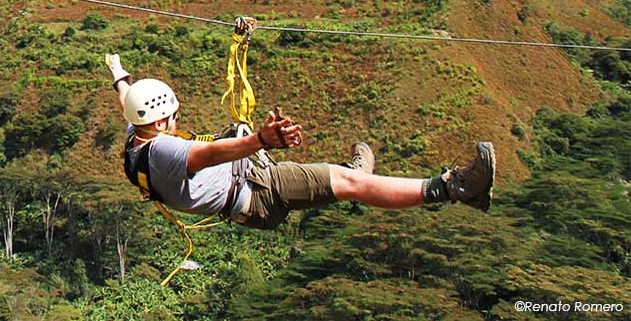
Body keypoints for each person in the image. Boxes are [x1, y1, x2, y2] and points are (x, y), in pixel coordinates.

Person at [106, 52, 496, 230]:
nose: (177, 120)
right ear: (160, 122)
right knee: (351, 186)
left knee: (336, 180)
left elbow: (127, 98)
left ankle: (347, 176)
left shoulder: (136, 139)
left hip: (248, 181)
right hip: (258, 193)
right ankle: (456, 187)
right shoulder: (165, 150)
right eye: (173, 116)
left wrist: (118, 71)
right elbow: (209, 153)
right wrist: (262, 138)